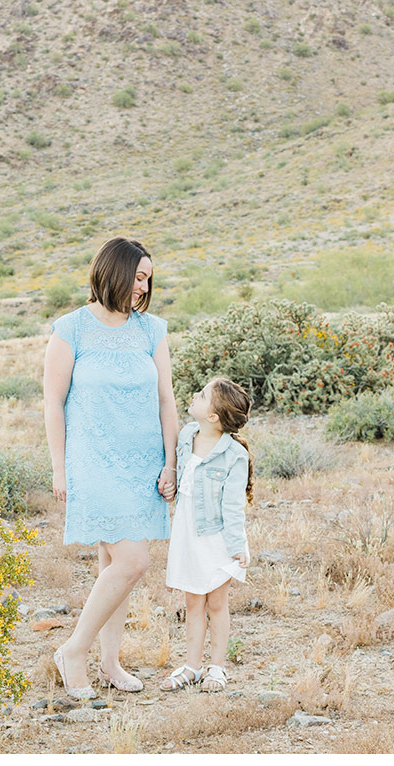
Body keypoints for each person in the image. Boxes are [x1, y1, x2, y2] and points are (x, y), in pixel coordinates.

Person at [44, 237, 178, 699]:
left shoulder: (152, 330)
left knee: (113, 563)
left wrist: (170, 461)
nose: (144, 287)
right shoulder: (71, 329)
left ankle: (110, 662)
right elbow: (53, 403)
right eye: (138, 276)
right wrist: (59, 469)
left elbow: (167, 400)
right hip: (93, 462)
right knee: (133, 561)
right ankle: (73, 651)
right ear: (114, 273)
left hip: (143, 463)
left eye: (148, 279)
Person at [160, 377, 253, 693]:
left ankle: (216, 667)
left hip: (218, 538)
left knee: (217, 603)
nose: (194, 396)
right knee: (193, 602)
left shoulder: (233, 455)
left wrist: (237, 547)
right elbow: (177, 472)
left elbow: (233, 505)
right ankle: (192, 666)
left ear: (213, 416)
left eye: (202, 395)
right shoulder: (187, 436)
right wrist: (169, 481)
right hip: (188, 535)